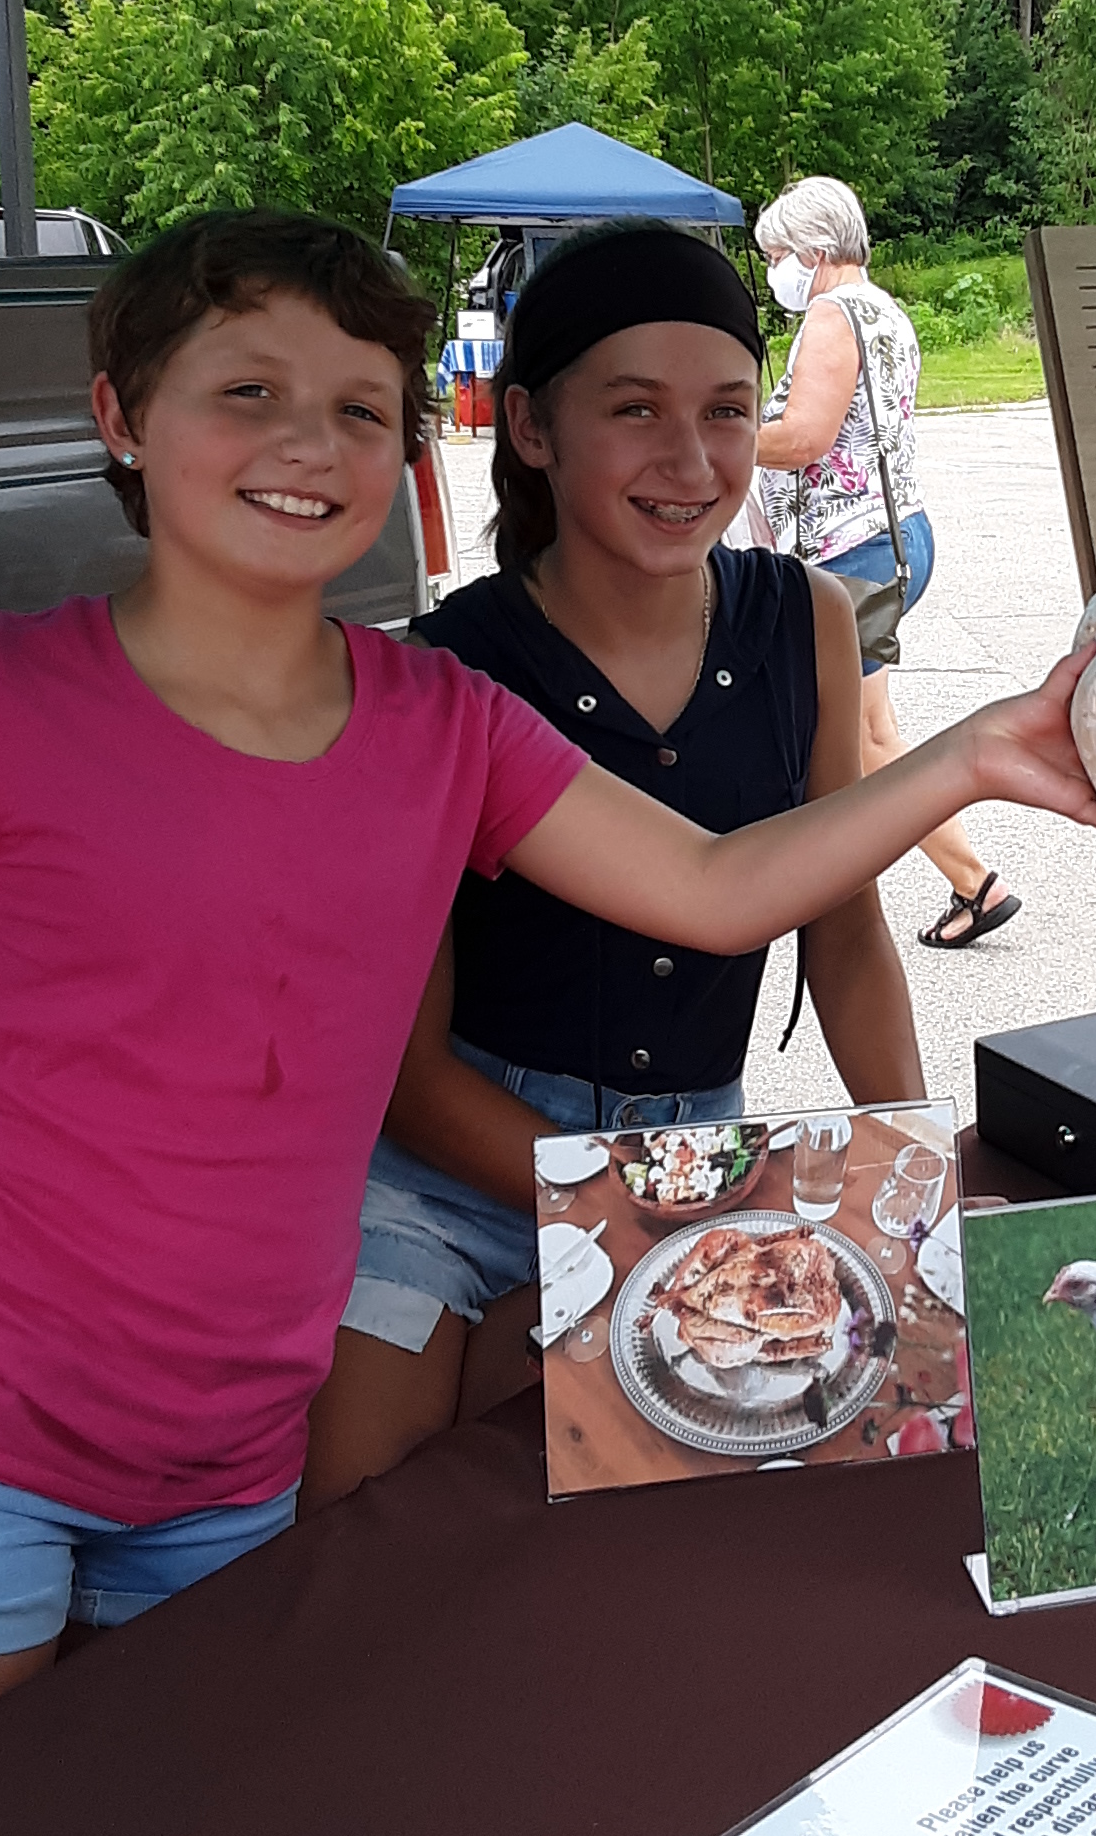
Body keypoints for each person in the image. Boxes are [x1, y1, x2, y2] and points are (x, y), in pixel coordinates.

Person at [0, 210, 1096, 1748]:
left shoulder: (442, 719)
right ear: (120, 411)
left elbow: (720, 889)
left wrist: (978, 754)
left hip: (229, 1461)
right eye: (247, 392)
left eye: (362, 409)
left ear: (411, 452)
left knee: (192, 1805)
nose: (307, 443)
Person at [302, 223, 924, 1508]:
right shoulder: (444, 671)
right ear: (531, 426)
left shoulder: (803, 619)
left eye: (728, 413)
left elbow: (846, 933)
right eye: (633, 410)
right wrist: (610, 1209)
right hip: (448, 1176)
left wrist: (914, 1171)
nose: (690, 460)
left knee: (641, 1530)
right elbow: (406, 1076)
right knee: (367, 1522)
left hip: (694, 1155)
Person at [753, 175, 1023, 950]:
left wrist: (720, 433)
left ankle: (975, 882)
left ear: (814, 250)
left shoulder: (834, 316)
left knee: (867, 739)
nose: (776, 271)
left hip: (852, 552)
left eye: (778, 256)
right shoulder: (884, 310)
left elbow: (805, 435)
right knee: (847, 728)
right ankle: (828, 875)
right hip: (889, 535)